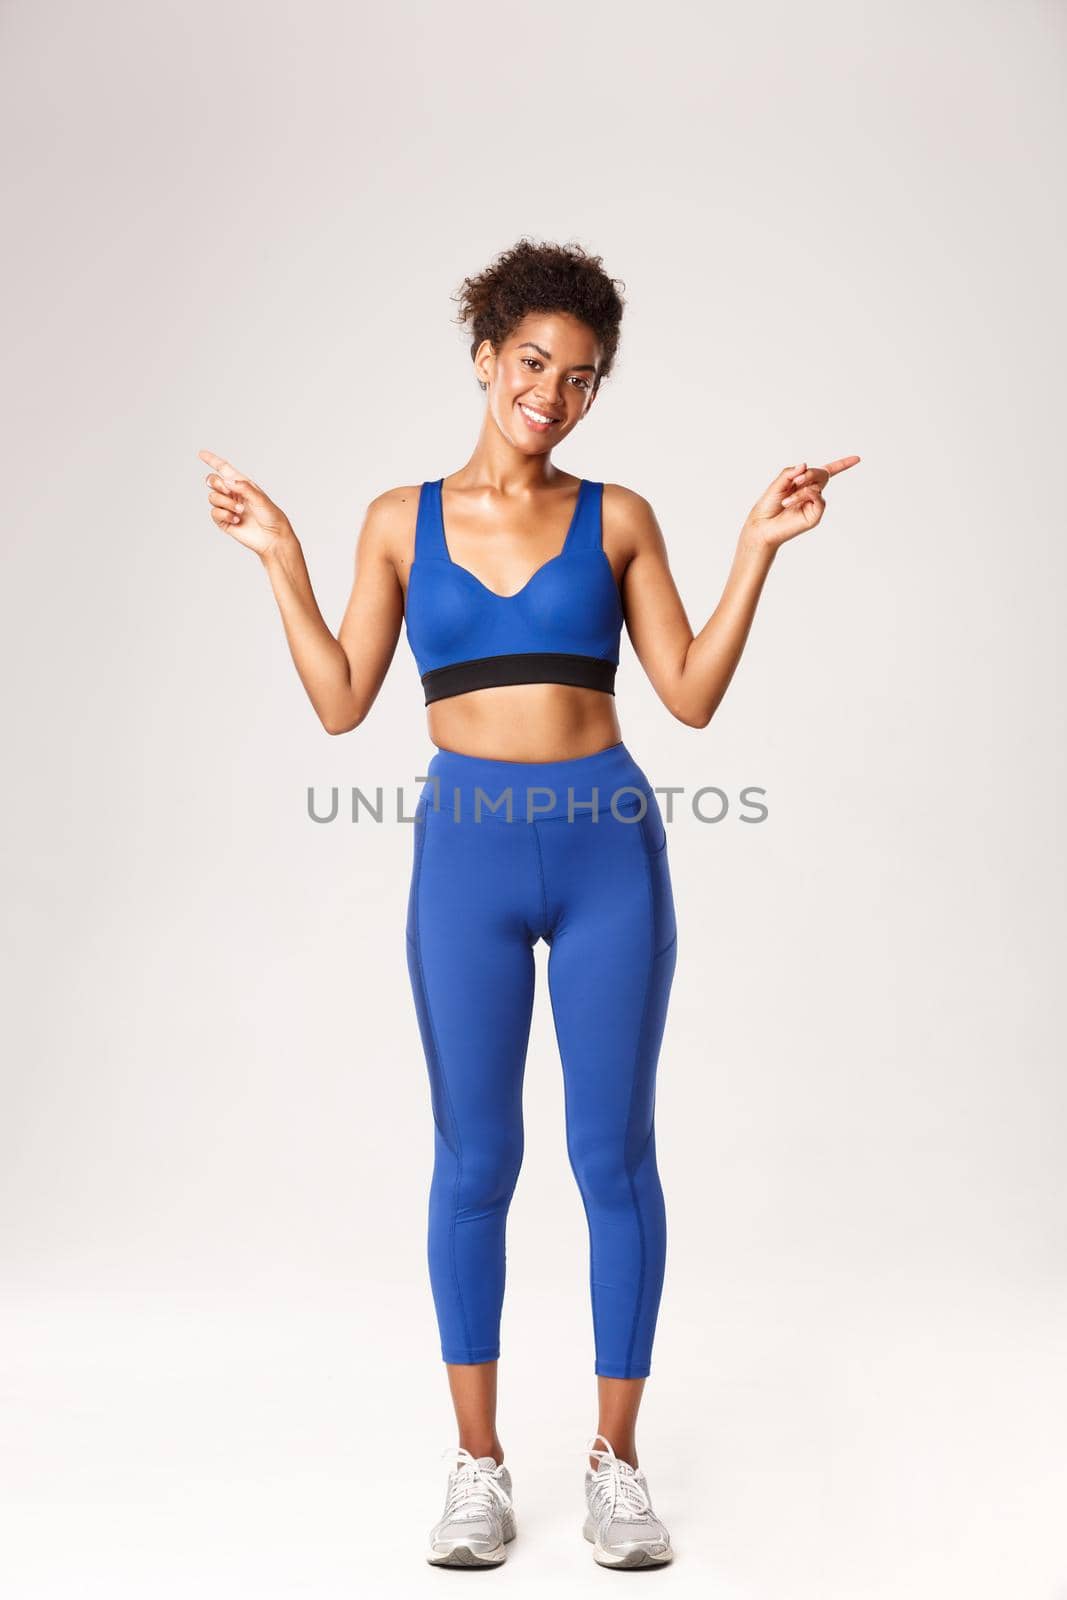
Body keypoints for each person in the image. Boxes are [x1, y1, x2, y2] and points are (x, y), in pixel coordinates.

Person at [198, 238, 859, 1570]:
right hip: (468, 851)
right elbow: (340, 703)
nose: (555, 395)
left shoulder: (619, 518)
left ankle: (618, 1465)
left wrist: (756, 548)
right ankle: (478, 1468)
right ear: (488, 355)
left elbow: (689, 692)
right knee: (475, 1164)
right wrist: (278, 555)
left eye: (584, 378)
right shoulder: (399, 520)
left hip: (609, 842)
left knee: (612, 1160)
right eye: (535, 365)